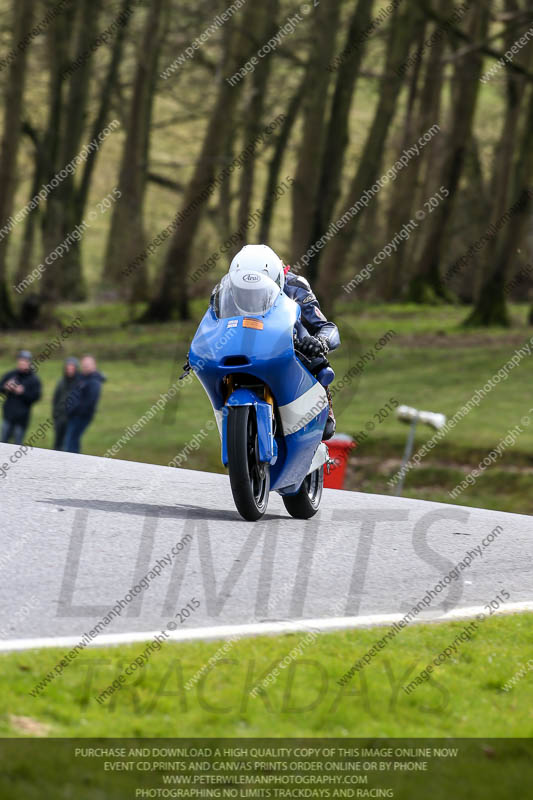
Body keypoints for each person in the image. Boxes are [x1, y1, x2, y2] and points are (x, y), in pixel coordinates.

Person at [217, 244, 341, 440]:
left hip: (287, 345)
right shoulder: (225, 290)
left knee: (316, 359)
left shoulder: (295, 286)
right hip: (242, 347)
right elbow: (213, 323)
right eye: (244, 287)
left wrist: (320, 342)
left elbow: (326, 327)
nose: (250, 292)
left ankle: (323, 403)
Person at [63, 355, 106, 454]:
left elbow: (90, 402)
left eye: (87, 365)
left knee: (71, 441)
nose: (85, 367)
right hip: (73, 415)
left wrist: (75, 411)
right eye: (84, 365)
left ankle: (72, 462)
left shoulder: (94, 382)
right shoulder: (82, 378)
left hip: (80, 417)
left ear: (94, 365)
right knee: (71, 440)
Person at [0, 350, 42, 445]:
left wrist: (22, 392)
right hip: (8, 416)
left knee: (17, 445)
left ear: (29, 363)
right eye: (21, 360)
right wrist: (6, 387)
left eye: (25, 361)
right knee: (3, 443)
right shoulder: (11, 374)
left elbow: (36, 397)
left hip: (22, 419)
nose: (22, 363)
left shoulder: (33, 379)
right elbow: (0, 387)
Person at [52, 357, 80, 451]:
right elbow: (56, 399)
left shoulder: (79, 383)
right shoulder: (61, 382)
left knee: (68, 443)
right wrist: (55, 414)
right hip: (60, 417)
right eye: (68, 367)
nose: (70, 370)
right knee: (57, 443)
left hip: (72, 418)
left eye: (72, 368)